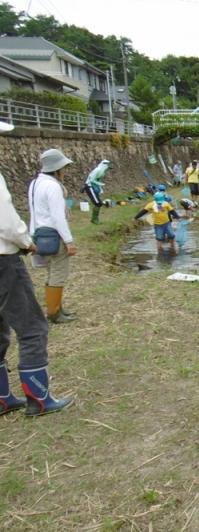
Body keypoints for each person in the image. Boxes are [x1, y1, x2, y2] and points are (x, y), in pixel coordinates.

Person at [1, 124, 73, 416]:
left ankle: (3, 397)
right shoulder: (53, 185)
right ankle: (39, 398)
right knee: (31, 328)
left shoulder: (33, 182)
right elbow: (7, 221)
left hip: (35, 232)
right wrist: (25, 241)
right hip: (6, 258)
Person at [29, 148, 77, 324]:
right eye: (64, 167)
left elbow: (34, 212)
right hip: (54, 235)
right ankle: (54, 312)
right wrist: (69, 241)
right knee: (59, 272)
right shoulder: (53, 186)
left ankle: (56, 308)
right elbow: (57, 217)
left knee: (51, 271)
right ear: (56, 168)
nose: (65, 170)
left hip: (40, 234)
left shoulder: (35, 183)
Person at [84, 159, 112, 224]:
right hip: (89, 186)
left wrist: (100, 187)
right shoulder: (97, 170)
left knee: (98, 203)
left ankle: (95, 219)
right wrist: (100, 184)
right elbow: (91, 180)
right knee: (98, 203)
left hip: (93, 187)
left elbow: (97, 180)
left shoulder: (102, 172)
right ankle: (94, 219)